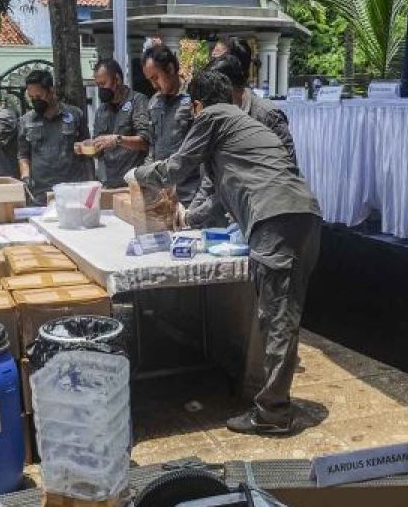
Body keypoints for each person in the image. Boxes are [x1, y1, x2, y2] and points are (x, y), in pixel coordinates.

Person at [129, 71, 322, 435]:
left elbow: (177, 165)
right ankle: (274, 401)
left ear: (198, 104)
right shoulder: (242, 126)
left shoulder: (213, 117)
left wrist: (138, 174)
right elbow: (218, 201)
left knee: (277, 316)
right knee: (285, 312)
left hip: (275, 219)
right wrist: (187, 218)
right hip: (302, 216)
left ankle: (274, 412)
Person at [187, 55, 298, 230]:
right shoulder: (219, 116)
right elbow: (210, 178)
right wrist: (190, 214)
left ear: (227, 88)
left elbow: (288, 168)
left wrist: (197, 214)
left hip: (269, 217)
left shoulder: (266, 114)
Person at [16, 70, 92, 206]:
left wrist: (82, 148)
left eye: (39, 96)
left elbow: (87, 152)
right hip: (40, 194)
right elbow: (23, 155)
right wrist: (25, 176)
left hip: (71, 191)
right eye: (31, 97)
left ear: (52, 90)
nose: (35, 101)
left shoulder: (75, 115)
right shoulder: (26, 121)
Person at [142, 44, 201, 205]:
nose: (154, 85)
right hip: (161, 194)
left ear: (169, 68)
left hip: (190, 194)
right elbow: (152, 148)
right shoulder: (154, 102)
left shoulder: (194, 98)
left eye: (156, 78)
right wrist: (146, 177)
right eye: (150, 80)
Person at [89, 59, 151, 188]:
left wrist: (117, 140)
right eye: (97, 85)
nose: (100, 89)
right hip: (111, 184)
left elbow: (145, 142)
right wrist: (89, 148)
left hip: (136, 183)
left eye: (103, 84)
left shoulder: (138, 102)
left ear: (117, 79)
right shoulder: (101, 110)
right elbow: (98, 150)